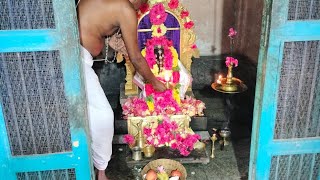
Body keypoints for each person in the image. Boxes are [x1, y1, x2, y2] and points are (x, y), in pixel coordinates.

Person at [77, 0, 166, 179]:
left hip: (77, 56)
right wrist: (156, 83)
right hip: (76, 60)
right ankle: (101, 171)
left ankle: (90, 164)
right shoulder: (125, 8)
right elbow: (136, 58)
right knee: (104, 116)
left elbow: (97, 24)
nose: (139, 8)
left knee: (87, 114)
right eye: (140, 5)